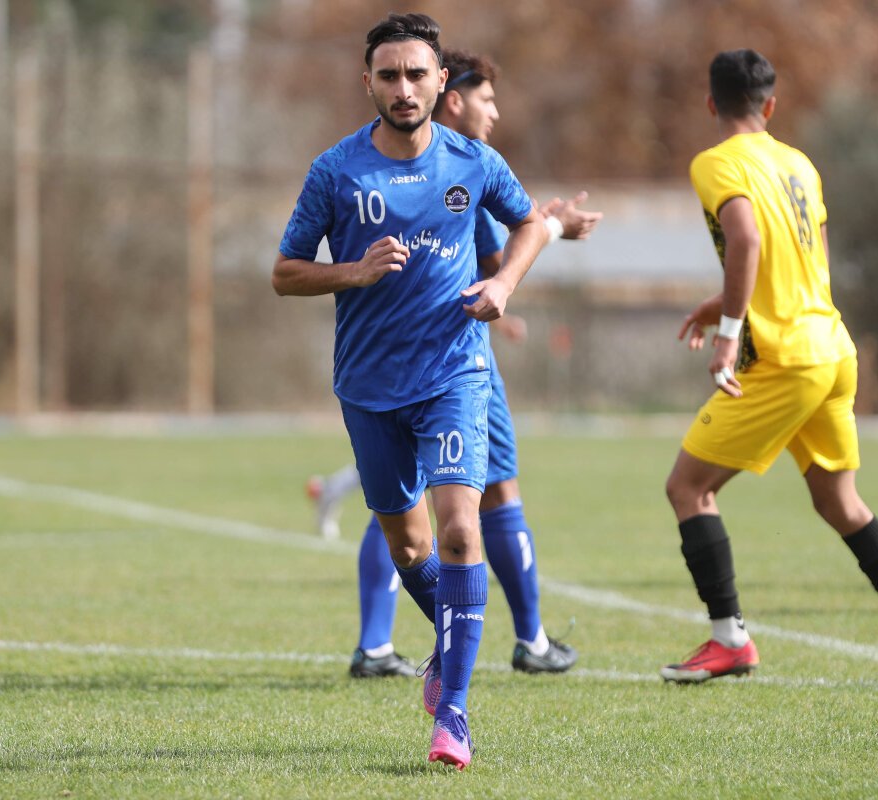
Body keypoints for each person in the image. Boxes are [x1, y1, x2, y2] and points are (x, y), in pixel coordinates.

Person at [273, 13, 546, 769]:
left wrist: (503, 283)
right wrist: (353, 271)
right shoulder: (336, 172)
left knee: (460, 533)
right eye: (389, 75)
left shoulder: (473, 161)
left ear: (440, 82)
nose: (403, 88)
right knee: (412, 546)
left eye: (417, 74)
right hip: (368, 386)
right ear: (368, 82)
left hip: (455, 372)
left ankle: (453, 713)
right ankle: (447, 654)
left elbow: (529, 225)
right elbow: (285, 272)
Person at [660, 49, 878, 684]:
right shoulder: (800, 163)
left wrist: (728, 336)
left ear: (712, 103)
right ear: (770, 106)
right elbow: (808, 264)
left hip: (785, 359)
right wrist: (724, 302)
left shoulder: (716, 162)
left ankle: (729, 639)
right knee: (838, 500)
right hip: (832, 348)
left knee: (689, 488)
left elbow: (746, 239)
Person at [317, 49, 602, 682]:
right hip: (450, 362)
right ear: (453, 97)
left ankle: (378, 644)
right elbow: (495, 257)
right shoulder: (441, 167)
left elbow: (483, 262)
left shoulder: (459, 169)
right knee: (488, 490)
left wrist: (508, 278)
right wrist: (552, 229)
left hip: (430, 355)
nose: (494, 112)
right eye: (486, 99)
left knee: (407, 507)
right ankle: (527, 638)